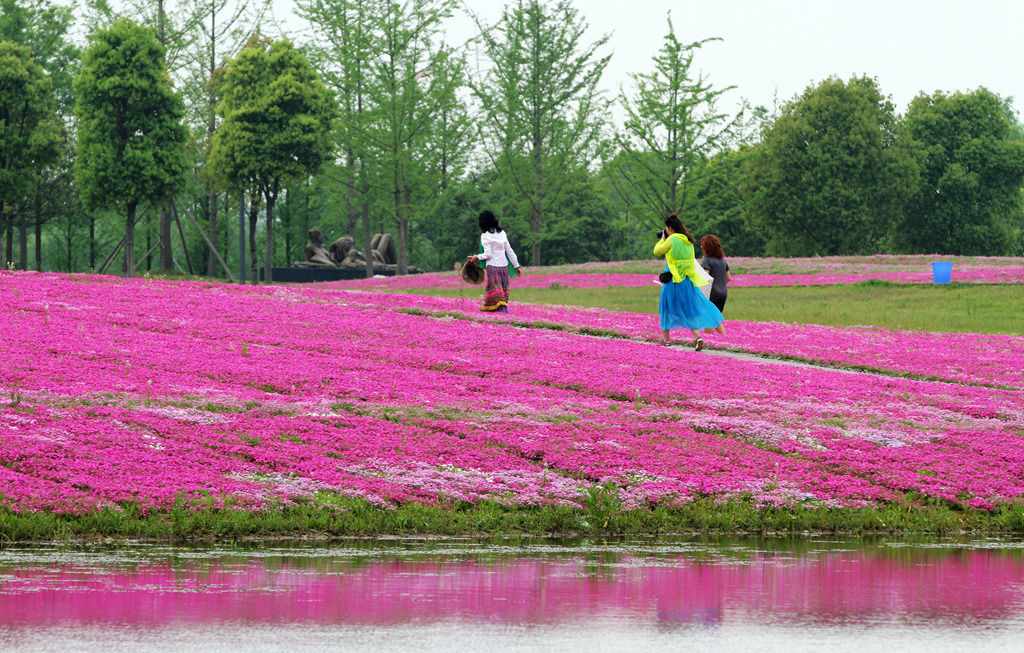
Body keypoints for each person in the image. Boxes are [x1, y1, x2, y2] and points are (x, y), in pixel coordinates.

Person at [653, 214, 725, 350]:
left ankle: (666, 340)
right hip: (687, 279)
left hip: (674, 278)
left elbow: (657, 251)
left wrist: (663, 238)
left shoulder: (672, 239)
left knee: (665, 307)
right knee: (689, 309)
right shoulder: (688, 240)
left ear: (669, 228)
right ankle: (698, 337)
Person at [466, 210, 521, 313]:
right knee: (502, 289)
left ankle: (501, 311)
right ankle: (499, 311)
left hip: (492, 266)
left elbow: (488, 254)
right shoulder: (502, 233)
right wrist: (516, 266)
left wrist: (476, 257)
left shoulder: (485, 235)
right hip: (503, 266)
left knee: (496, 289)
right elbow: (509, 251)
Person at [699, 234, 731, 313]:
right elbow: (728, 278)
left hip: (712, 294)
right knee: (717, 319)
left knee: (708, 318)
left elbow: (705, 279)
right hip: (723, 293)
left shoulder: (707, 261)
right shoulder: (723, 261)